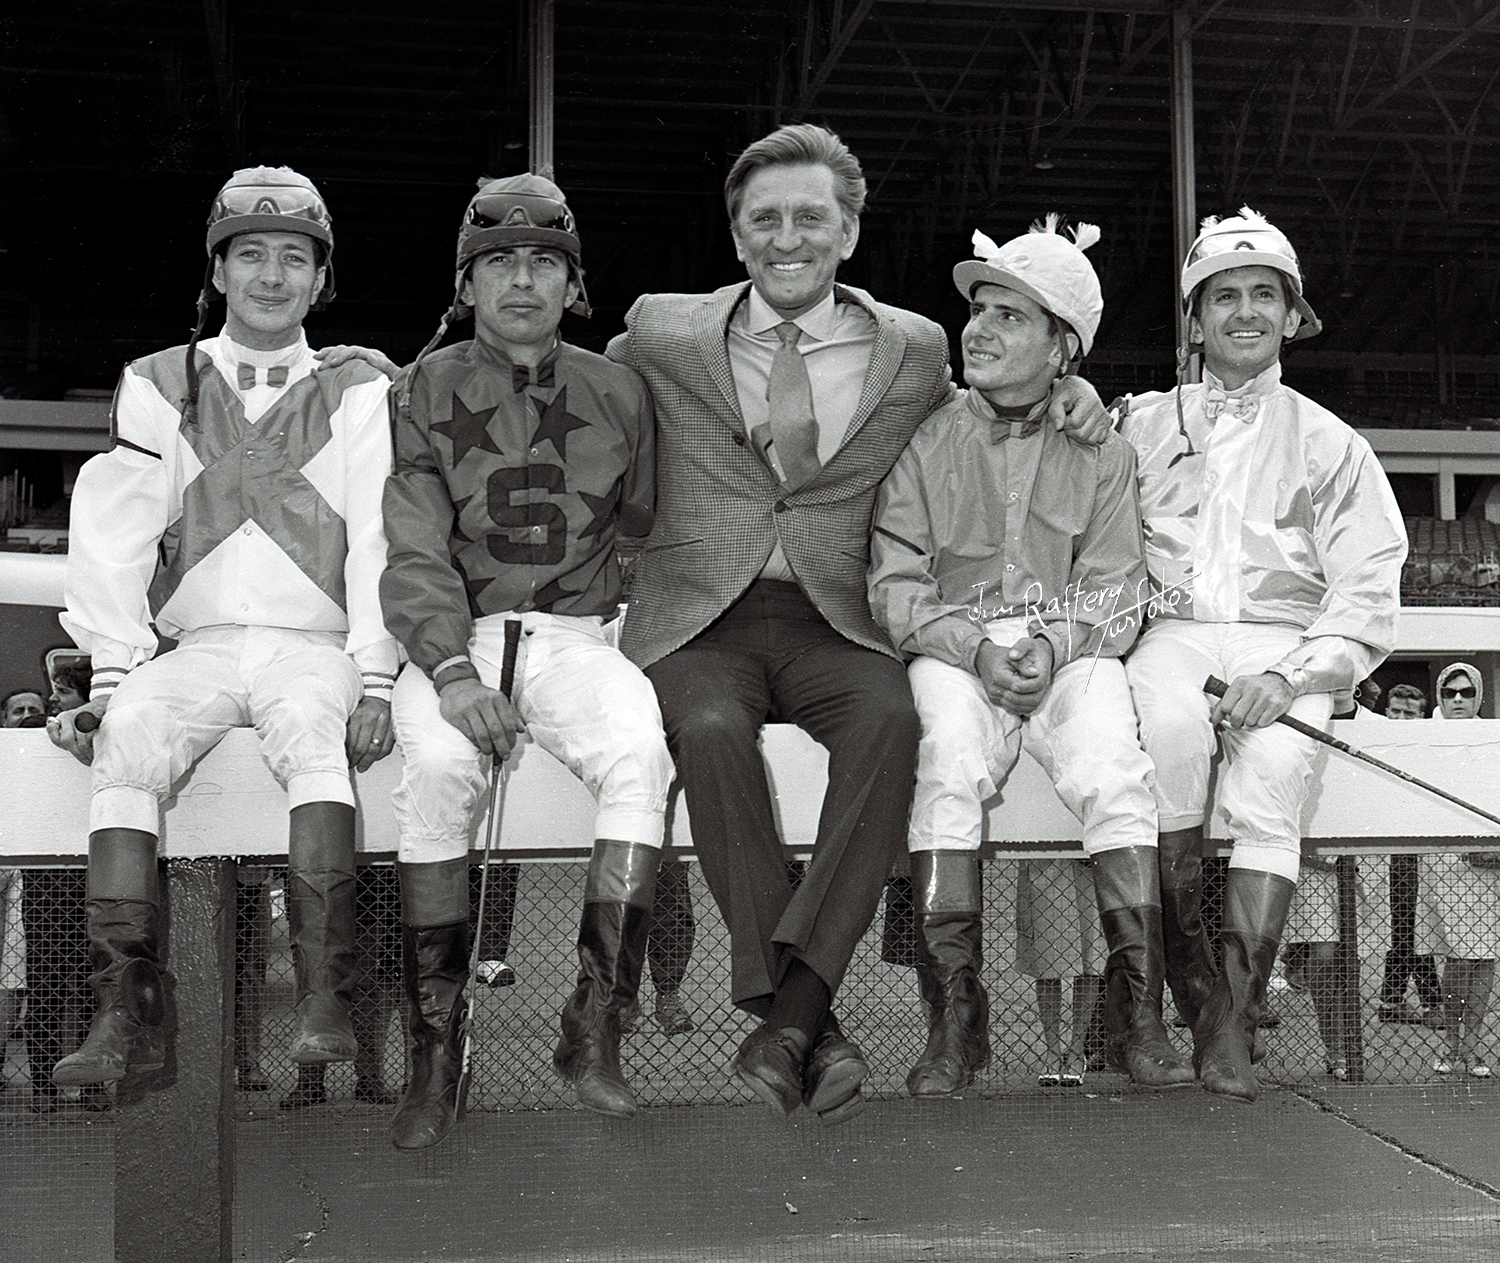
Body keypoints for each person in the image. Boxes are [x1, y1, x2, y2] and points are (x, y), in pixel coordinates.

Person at [606, 124, 1107, 1125]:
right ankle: (803, 1019)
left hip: (839, 617)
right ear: (737, 233)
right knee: (709, 734)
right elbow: (561, 380)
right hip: (701, 619)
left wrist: (1075, 390)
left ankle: (787, 1024)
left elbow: (995, 399)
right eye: (766, 220)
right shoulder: (660, 330)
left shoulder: (915, 349)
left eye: (810, 218)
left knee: (894, 724)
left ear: (847, 231)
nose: (787, 236)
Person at [46, 166, 399, 1088]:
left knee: (315, 741)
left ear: (322, 279)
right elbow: (113, 533)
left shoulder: (362, 384)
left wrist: (374, 676)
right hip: (194, 648)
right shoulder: (158, 382)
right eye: (252, 255)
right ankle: (125, 1006)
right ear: (220, 270)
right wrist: (113, 677)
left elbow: (379, 537)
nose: (273, 277)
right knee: (126, 747)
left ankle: (324, 992)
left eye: (294, 258)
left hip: (311, 648)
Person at [380, 174, 672, 1149]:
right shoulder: (423, 385)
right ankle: (434, 1047)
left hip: (573, 638)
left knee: (641, 752)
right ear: (468, 282)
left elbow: (648, 531)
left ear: (571, 283)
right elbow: (413, 547)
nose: (521, 279)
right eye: (499, 261)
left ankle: (595, 1021)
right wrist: (452, 676)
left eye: (543, 261)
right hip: (456, 637)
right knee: (439, 767)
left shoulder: (620, 388)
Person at [868, 217, 1192, 1095]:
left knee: (1113, 768)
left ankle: (1138, 1016)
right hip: (957, 647)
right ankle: (955, 1023)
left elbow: (1119, 585)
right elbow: (896, 583)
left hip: (1068, 643)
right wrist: (975, 647)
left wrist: (1050, 643)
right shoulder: (926, 439)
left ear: (1064, 349)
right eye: (981, 308)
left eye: (1014, 316)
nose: (981, 328)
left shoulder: (1107, 451)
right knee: (944, 760)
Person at [1117, 207, 1407, 1101]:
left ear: (1290, 315)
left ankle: (1233, 1020)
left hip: (1288, 641)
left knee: (1276, 769)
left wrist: (1290, 675)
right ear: (1195, 320)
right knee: (1165, 735)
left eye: (1264, 296)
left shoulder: (1335, 444)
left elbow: (1366, 590)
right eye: (1225, 296)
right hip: (1171, 634)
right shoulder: (1137, 425)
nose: (1244, 312)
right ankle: (1190, 988)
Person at [1377, 682, 1443, 1024]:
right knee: (1408, 924)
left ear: (1422, 715)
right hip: (1399, 850)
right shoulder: (1379, 743)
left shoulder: (1427, 745)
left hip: (1429, 846)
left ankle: (1392, 999)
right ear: (1387, 712)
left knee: (1415, 926)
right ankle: (1426, 1002)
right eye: (1396, 712)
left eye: (1409, 713)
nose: (1401, 718)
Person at [1016, 859, 1106, 1086]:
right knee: (1046, 959)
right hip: (1047, 862)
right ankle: (1052, 1051)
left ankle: (1077, 1050)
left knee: (1090, 955)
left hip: (1088, 860)